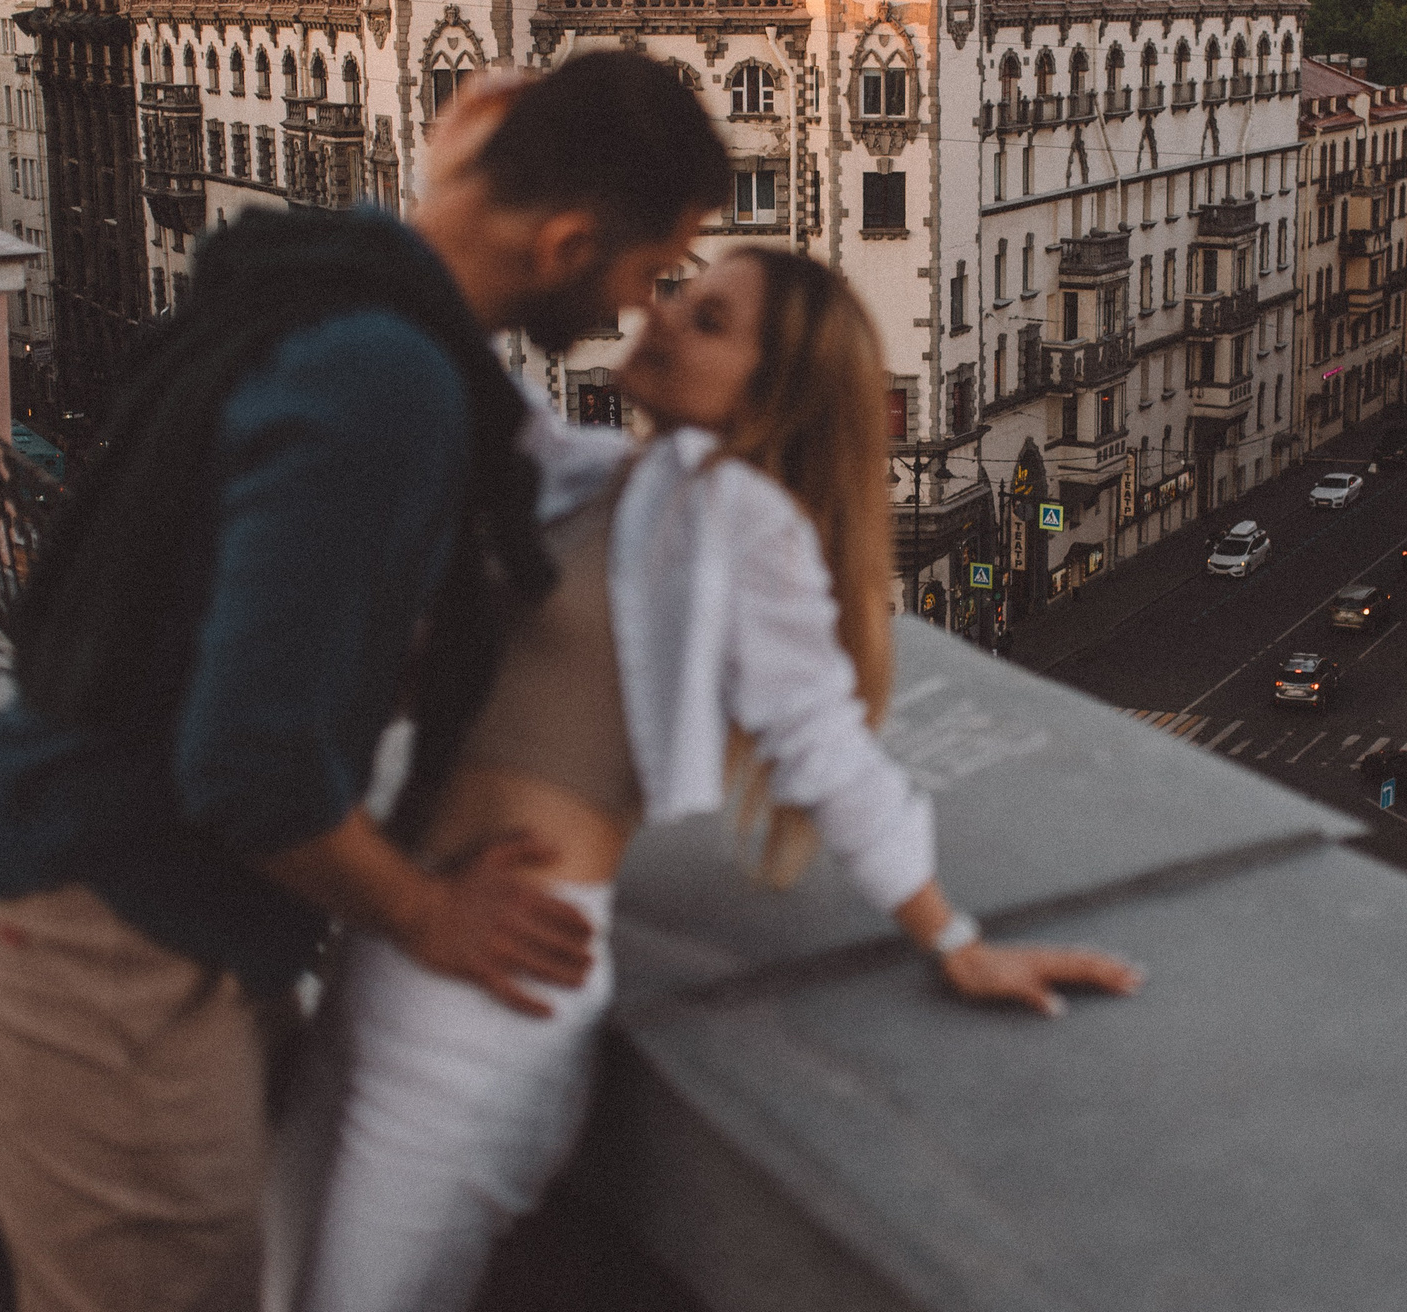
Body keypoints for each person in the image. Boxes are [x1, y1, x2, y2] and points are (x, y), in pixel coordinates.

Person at [0, 54, 729, 1312]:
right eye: (652, 265)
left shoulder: (324, 296)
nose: (645, 302)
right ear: (570, 240)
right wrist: (425, 914)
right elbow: (251, 768)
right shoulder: (384, 380)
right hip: (108, 935)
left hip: (127, 911)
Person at [264, 248, 1143, 1312]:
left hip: (494, 981)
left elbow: (822, 743)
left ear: (770, 392)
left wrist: (953, 942)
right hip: (396, 929)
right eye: (679, 292)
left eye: (713, 320)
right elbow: (455, 346)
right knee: (273, 1282)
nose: (669, 316)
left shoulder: (741, 518)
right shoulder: (592, 472)